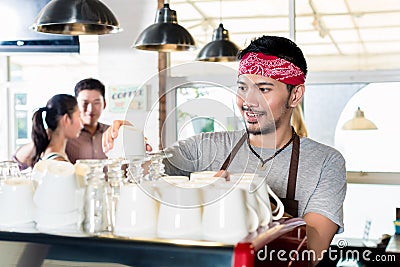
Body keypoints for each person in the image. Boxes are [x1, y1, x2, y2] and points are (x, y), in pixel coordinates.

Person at [103, 36, 346, 266]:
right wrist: (129, 146)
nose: (248, 101)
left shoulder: (326, 162)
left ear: (295, 95)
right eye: (242, 88)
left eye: (263, 89)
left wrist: (240, 198)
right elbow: (141, 174)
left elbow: (311, 251)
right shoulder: (203, 147)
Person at [13, 78, 109, 169]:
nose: (90, 109)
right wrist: (43, 137)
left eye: (96, 102)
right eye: (85, 103)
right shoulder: (66, 135)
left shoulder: (112, 132)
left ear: (104, 104)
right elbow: (18, 163)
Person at [30, 94, 83, 166]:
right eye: (79, 116)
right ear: (66, 119)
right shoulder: (60, 164)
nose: (82, 124)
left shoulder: (47, 154)